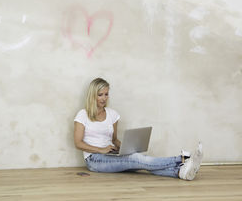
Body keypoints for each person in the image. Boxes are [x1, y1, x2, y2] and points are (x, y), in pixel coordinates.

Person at [73, 77, 203, 180]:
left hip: (110, 154)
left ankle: (180, 172)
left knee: (139, 161)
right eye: (100, 95)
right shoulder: (82, 115)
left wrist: (124, 147)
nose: (104, 98)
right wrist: (101, 150)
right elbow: (78, 143)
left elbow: (113, 139)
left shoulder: (112, 114)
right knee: (138, 160)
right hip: (94, 160)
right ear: (93, 95)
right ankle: (183, 159)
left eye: (106, 94)